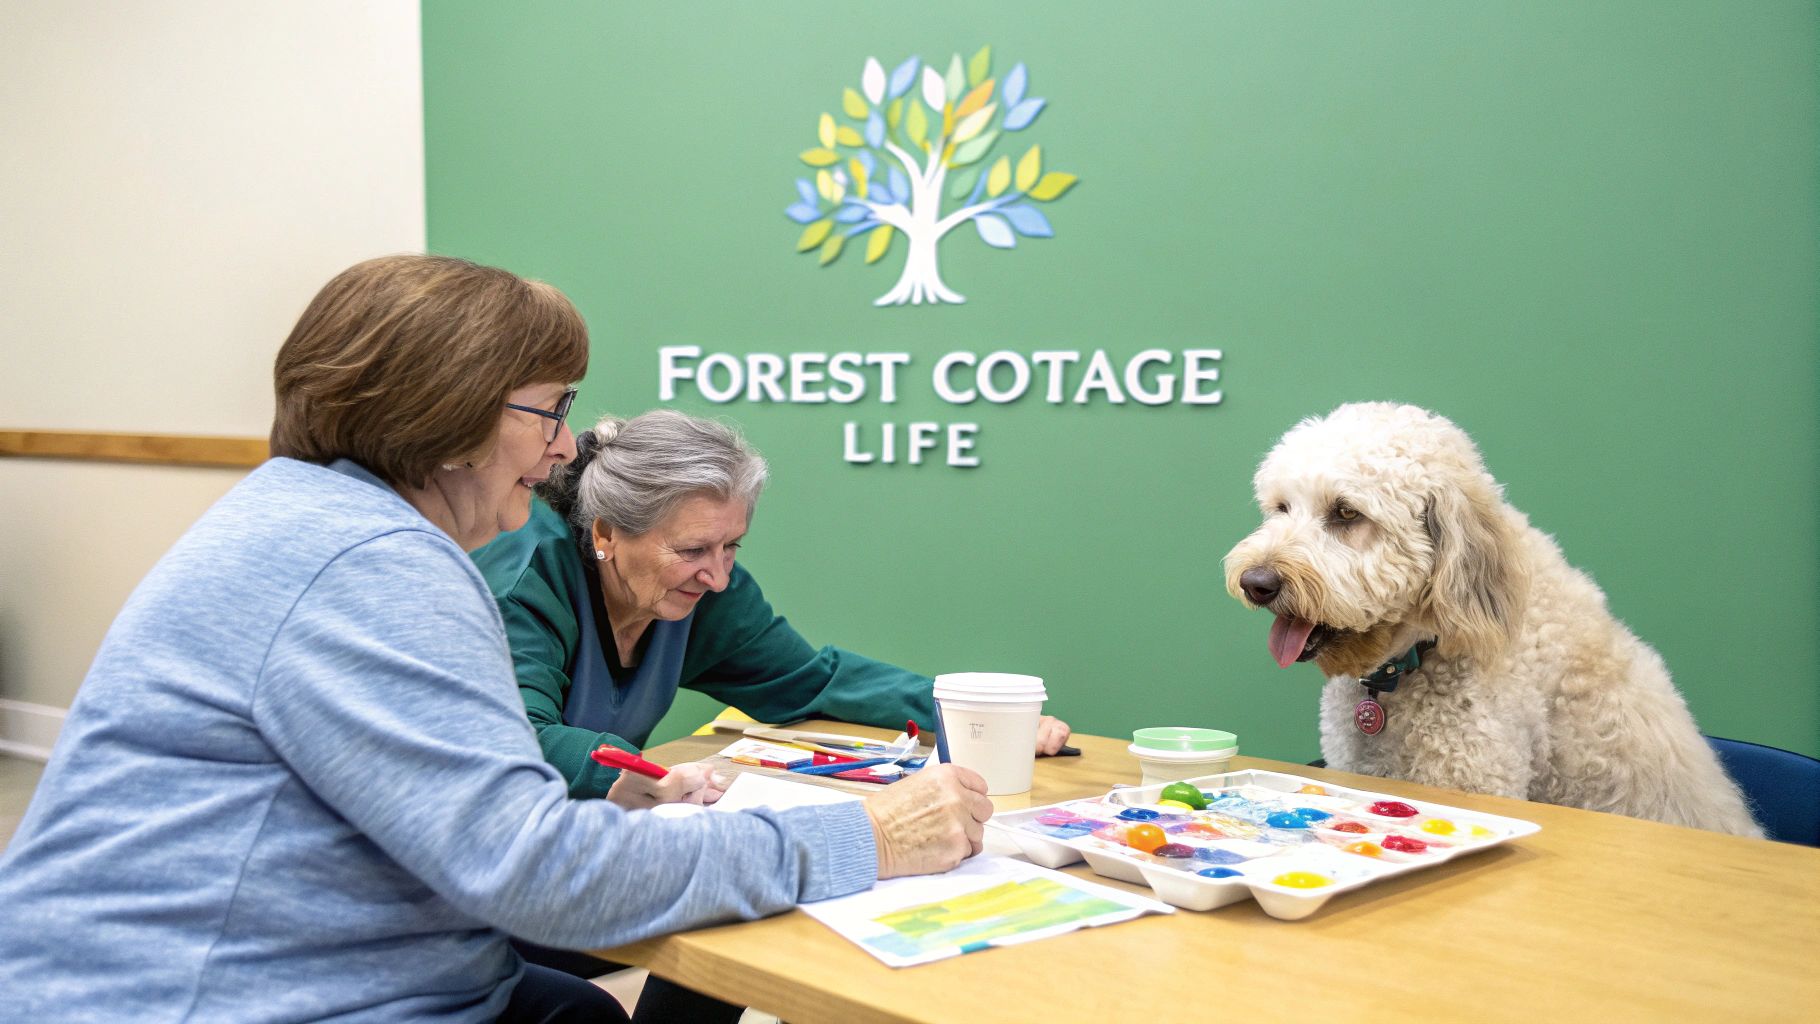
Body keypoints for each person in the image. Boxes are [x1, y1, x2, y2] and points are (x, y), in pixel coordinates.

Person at [0, 255, 993, 1024]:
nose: (567, 449)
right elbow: (538, 872)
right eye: (551, 409)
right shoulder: (372, 564)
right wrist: (864, 836)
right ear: (448, 410)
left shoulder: (310, 520)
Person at [469, 408, 1073, 799]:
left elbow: (807, 682)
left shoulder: (700, 591)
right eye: (692, 550)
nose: (718, 578)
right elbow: (520, 739)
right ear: (606, 535)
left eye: (731, 546)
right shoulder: (529, 582)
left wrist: (963, 712)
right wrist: (646, 773)